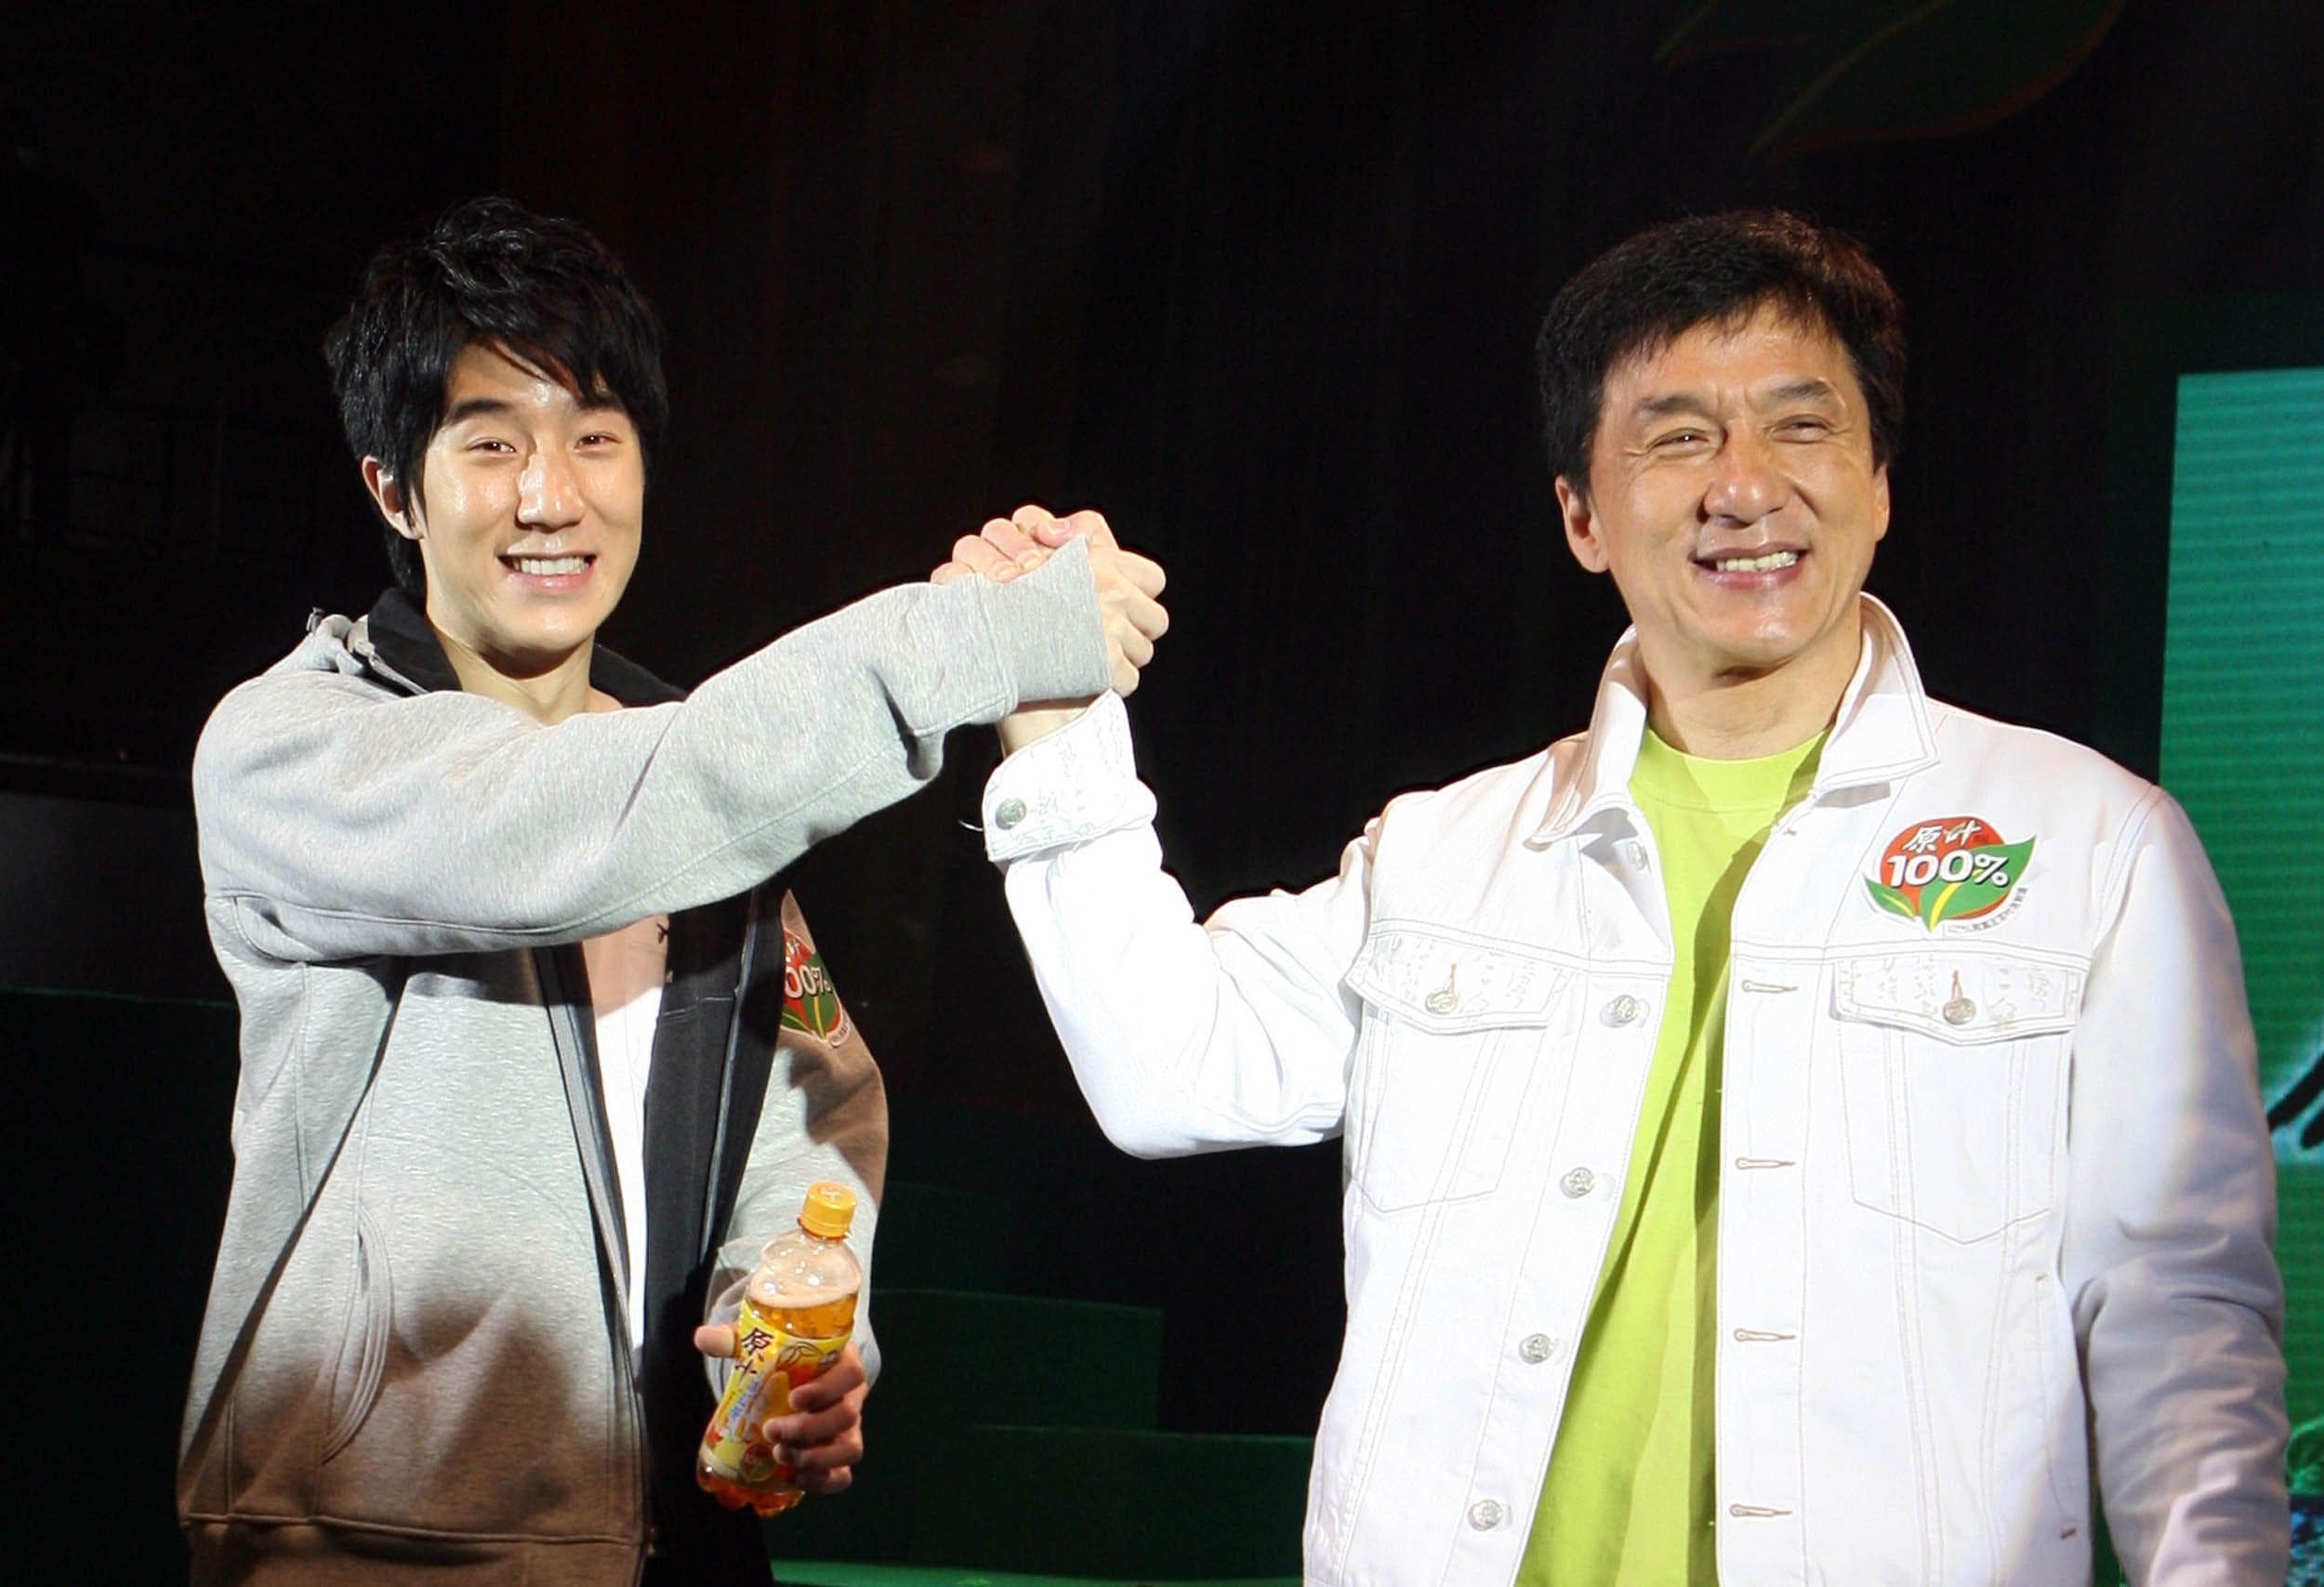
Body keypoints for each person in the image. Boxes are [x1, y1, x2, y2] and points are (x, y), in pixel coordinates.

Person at [939, 211, 2288, 1584]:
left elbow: (2179, 1318)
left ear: (1880, 483)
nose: (1745, 487)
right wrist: (1055, 717)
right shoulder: (1447, 855)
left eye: (1801, 426)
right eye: (1679, 435)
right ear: (1582, 515)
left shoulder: (2090, 845)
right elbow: (1167, 1070)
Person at [176, 195, 1166, 1585]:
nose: (550, 497)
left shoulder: (695, 796)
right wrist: (984, 636)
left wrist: (794, 1325)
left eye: (594, 437)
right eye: (490, 444)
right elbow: (591, 822)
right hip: (385, 1546)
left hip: (683, 1540)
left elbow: (815, 1103)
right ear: (393, 488)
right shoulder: (291, 748)